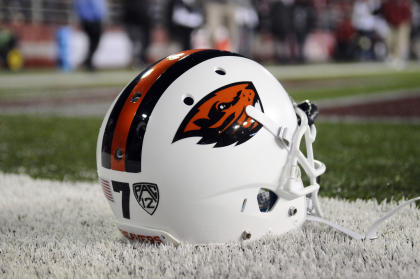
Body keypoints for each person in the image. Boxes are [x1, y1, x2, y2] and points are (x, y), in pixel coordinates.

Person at [75, 0, 107, 71]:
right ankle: (88, 62)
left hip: (91, 20)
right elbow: (98, 8)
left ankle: (88, 62)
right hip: (92, 20)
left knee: (93, 43)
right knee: (94, 43)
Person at [383, 0, 412, 69]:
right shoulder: (389, 3)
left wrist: (403, 23)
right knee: (391, 41)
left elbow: (407, 14)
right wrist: (389, 22)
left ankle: (399, 59)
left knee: (400, 42)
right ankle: (392, 57)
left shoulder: (404, 3)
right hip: (392, 24)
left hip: (402, 24)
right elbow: (386, 13)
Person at [122, 0, 152, 66]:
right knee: (136, 43)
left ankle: (141, 60)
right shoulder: (130, 3)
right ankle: (136, 61)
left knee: (143, 43)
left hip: (143, 24)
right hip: (133, 23)